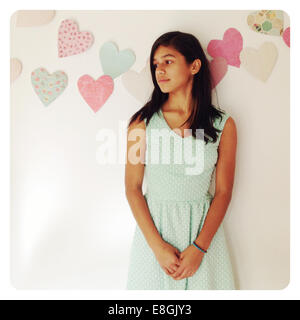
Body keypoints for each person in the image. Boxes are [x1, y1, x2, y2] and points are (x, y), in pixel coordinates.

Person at [125, 31, 237, 290]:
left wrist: (199, 248)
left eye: (168, 61)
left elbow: (223, 192)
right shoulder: (141, 124)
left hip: (204, 237)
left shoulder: (224, 125)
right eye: (155, 64)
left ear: (194, 66)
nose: (159, 70)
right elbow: (132, 188)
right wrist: (158, 248)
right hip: (155, 237)